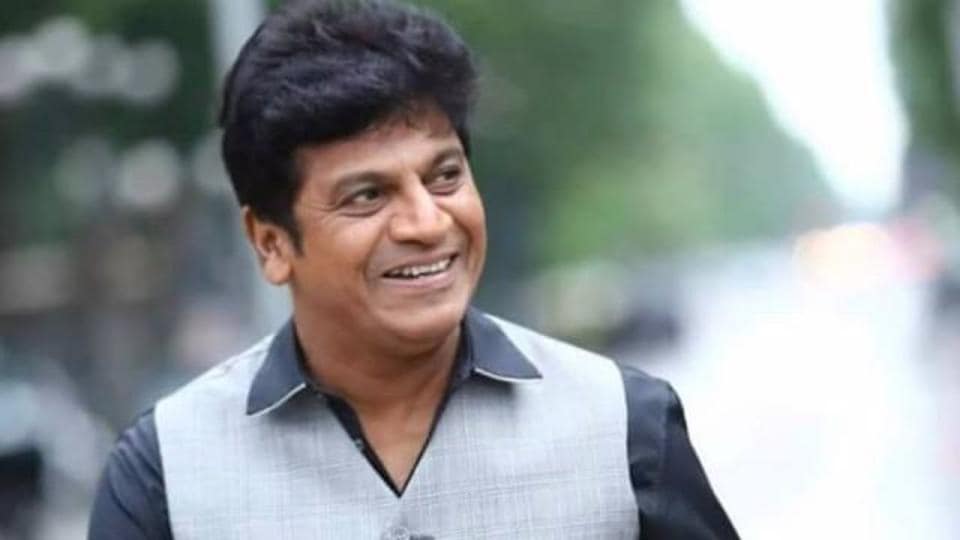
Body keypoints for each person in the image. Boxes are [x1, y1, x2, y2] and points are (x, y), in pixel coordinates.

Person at [88, 0, 738, 538]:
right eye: (367, 195)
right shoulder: (167, 477)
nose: (427, 222)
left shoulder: (625, 428)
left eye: (445, 175)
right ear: (271, 243)